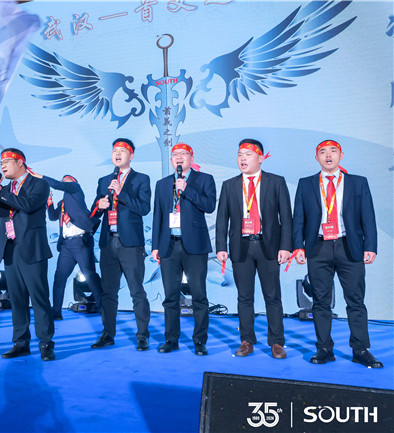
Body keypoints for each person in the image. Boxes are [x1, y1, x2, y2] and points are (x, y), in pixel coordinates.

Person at [292, 140, 382, 368]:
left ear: (341, 155)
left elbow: (368, 216)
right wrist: (298, 246)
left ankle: (361, 349)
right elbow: (299, 218)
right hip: (318, 247)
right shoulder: (306, 184)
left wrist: (370, 246)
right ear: (317, 158)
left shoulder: (357, 182)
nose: (328, 155)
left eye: (333, 151)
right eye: (322, 152)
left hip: (349, 246)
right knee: (320, 301)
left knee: (355, 300)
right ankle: (324, 348)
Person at [215, 139, 291, 359]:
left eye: (248, 154)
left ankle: (276, 342)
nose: (243, 159)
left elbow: (286, 217)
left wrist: (286, 246)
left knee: (272, 297)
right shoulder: (229, 185)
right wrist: (221, 247)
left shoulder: (276, 182)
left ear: (261, 158)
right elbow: (222, 219)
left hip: (269, 246)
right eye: (240, 154)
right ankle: (246, 340)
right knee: (244, 297)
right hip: (241, 247)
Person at [0, 148, 56, 361]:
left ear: (20, 162)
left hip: (32, 249)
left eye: (6, 161)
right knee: (16, 299)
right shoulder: (4, 189)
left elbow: (28, 205)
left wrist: (0, 192)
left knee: (39, 298)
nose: (3, 166)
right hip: (10, 249)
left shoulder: (39, 184)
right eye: (0, 163)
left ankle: (45, 343)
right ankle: (20, 343)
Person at [151, 143, 216, 355]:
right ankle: (171, 339)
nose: (179, 157)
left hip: (194, 246)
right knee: (170, 296)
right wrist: (155, 246)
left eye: (183, 154)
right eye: (175, 154)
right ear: (171, 160)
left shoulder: (204, 179)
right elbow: (158, 215)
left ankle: (200, 341)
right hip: (168, 245)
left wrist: (187, 189)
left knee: (198, 295)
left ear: (191, 158)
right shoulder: (162, 184)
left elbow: (209, 206)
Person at [89, 138, 151, 351]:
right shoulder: (104, 180)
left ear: (131, 155)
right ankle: (108, 333)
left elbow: (144, 208)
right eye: (114, 150)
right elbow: (95, 212)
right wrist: (99, 205)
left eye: (122, 150)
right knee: (108, 292)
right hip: (108, 242)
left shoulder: (141, 179)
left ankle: (142, 335)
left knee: (137, 291)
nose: (117, 154)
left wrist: (121, 193)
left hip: (131, 244)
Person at [33, 172, 101, 320]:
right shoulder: (62, 203)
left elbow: (58, 184)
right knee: (59, 278)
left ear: (73, 182)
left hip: (81, 241)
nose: (65, 181)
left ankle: (104, 309)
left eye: (68, 180)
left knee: (90, 276)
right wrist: (49, 201)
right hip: (66, 245)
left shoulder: (75, 189)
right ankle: (56, 312)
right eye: (63, 179)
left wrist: (39, 176)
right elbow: (52, 216)